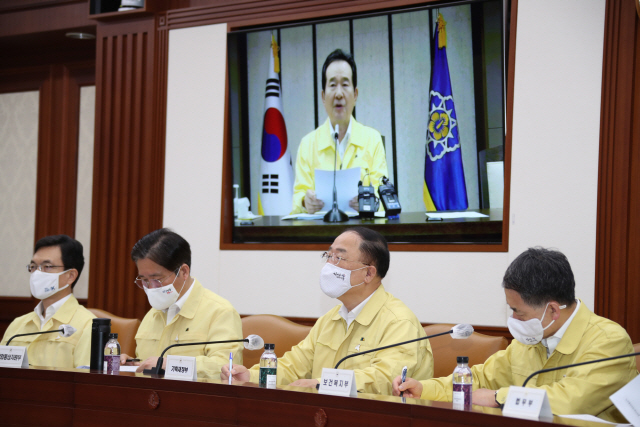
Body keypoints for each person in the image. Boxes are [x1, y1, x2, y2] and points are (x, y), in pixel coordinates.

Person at [393, 247, 637, 423]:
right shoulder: (531, 339)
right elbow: (480, 380)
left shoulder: (609, 341)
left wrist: (499, 398)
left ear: (552, 310)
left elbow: (570, 401)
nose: (513, 321)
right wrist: (424, 389)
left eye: (518, 312)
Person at [222, 227, 432, 395]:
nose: (329, 265)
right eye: (328, 255)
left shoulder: (399, 322)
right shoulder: (329, 320)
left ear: (368, 273)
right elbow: (294, 366)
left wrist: (320, 385)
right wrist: (252, 376)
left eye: (339, 258)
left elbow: (384, 380)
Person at [120, 228, 243, 378]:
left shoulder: (220, 312)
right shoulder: (152, 314)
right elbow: (152, 364)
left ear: (184, 272)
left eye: (157, 279)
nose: (151, 288)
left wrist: (171, 365)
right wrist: (134, 364)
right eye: (145, 280)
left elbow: (226, 369)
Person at [291, 49, 389, 214]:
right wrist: (304, 201)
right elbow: (297, 197)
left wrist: (370, 201)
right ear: (323, 96)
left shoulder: (373, 140)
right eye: (332, 85)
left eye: (345, 84)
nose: (338, 94)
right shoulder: (307, 144)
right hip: (321, 237)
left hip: (362, 235)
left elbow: (383, 193)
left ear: (355, 94)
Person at [1, 235, 94, 368]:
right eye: (33, 266)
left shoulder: (88, 326)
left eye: (47, 266)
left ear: (70, 276)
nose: (37, 274)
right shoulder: (18, 325)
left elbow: (87, 384)